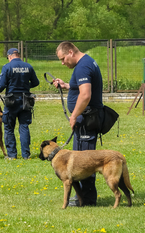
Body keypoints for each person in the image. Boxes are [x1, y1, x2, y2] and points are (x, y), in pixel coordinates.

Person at [53, 41, 104, 206]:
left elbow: (85, 95)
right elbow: (80, 87)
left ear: (70, 52)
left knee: (86, 162)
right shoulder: (86, 62)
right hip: (86, 120)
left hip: (86, 121)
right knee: (82, 160)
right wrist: (67, 85)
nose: (62, 63)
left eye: (63, 59)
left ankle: (87, 200)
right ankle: (82, 197)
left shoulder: (82, 67)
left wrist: (74, 115)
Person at [0, 48, 39, 160]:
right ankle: (26, 155)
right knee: (24, 126)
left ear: (10, 56)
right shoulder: (28, 66)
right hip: (26, 100)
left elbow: (2, 84)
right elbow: (36, 82)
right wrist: (25, 86)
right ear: (18, 55)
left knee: (8, 127)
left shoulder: (7, 67)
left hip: (11, 101)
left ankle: (12, 155)